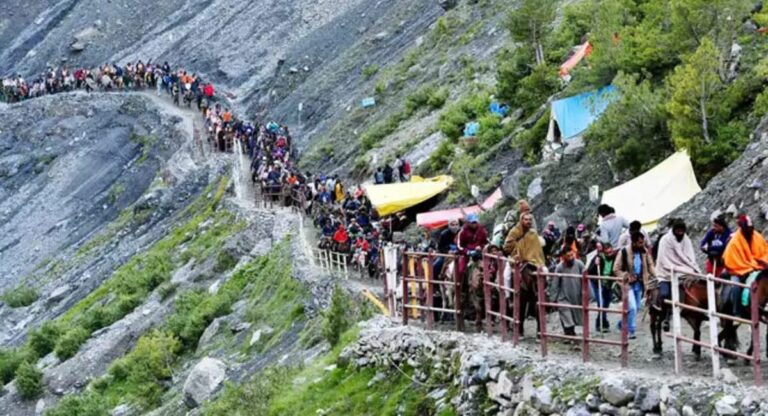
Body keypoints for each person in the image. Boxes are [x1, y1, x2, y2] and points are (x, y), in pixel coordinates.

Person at [655, 220, 700, 329]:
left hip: (682, 269)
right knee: (665, 294)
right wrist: (673, 268)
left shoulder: (686, 239)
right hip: (666, 272)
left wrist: (690, 268)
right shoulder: (665, 240)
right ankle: (665, 317)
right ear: (674, 230)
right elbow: (663, 259)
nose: (680, 233)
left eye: (682, 231)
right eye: (678, 231)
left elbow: (689, 256)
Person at [613, 232, 656, 339]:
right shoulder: (624, 252)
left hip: (640, 284)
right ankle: (630, 330)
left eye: (643, 242)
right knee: (631, 307)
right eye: (640, 243)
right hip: (627, 284)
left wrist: (656, 276)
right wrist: (626, 275)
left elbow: (650, 265)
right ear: (634, 242)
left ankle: (621, 324)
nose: (642, 244)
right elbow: (616, 268)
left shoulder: (644, 252)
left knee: (636, 307)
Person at [722, 215, 768, 315]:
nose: (750, 231)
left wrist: (763, 263)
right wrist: (749, 268)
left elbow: (765, 252)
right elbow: (731, 261)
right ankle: (736, 312)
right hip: (738, 270)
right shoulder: (734, 242)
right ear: (742, 228)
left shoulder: (757, 237)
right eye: (747, 229)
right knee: (736, 287)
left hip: (757, 267)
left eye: (751, 228)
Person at [550, 248, 585, 337]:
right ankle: (569, 334)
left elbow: (585, 279)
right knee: (566, 314)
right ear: (563, 257)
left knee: (573, 316)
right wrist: (553, 299)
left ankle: (570, 333)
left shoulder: (579, 264)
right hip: (563, 296)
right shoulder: (559, 267)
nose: (570, 258)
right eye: (568, 256)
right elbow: (555, 283)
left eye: (571, 255)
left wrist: (586, 294)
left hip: (576, 294)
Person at [586, 242, 617, 332]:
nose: (609, 254)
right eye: (607, 253)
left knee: (606, 304)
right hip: (598, 284)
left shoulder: (615, 258)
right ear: (603, 252)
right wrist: (595, 264)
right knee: (601, 304)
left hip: (608, 284)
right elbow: (589, 271)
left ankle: (600, 321)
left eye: (611, 252)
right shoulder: (598, 258)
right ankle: (603, 324)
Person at [456, 213, 489, 279]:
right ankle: (458, 287)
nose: (474, 224)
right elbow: (459, 246)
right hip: (467, 254)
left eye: (475, 222)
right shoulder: (463, 231)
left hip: (480, 253)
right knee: (461, 270)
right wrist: (468, 252)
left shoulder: (482, 230)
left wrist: (481, 247)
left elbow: (486, 242)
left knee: (489, 267)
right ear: (468, 222)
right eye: (472, 222)